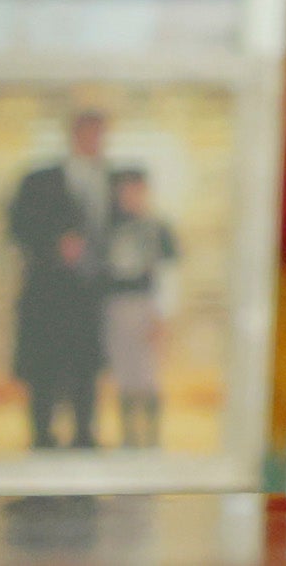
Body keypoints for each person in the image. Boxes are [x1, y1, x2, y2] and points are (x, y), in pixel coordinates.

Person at [4, 109, 112, 451]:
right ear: (74, 135)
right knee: (44, 371)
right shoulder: (40, 180)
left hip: (89, 296)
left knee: (86, 370)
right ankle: (42, 436)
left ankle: (84, 435)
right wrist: (54, 244)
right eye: (89, 133)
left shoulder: (112, 180)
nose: (95, 141)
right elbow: (17, 225)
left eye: (100, 134)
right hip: (47, 295)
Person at [98, 167, 168, 449]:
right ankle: (129, 435)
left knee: (147, 373)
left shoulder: (156, 228)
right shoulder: (108, 227)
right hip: (115, 305)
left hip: (145, 305)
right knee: (123, 373)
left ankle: (150, 436)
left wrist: (161, 314)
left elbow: (168, 273)